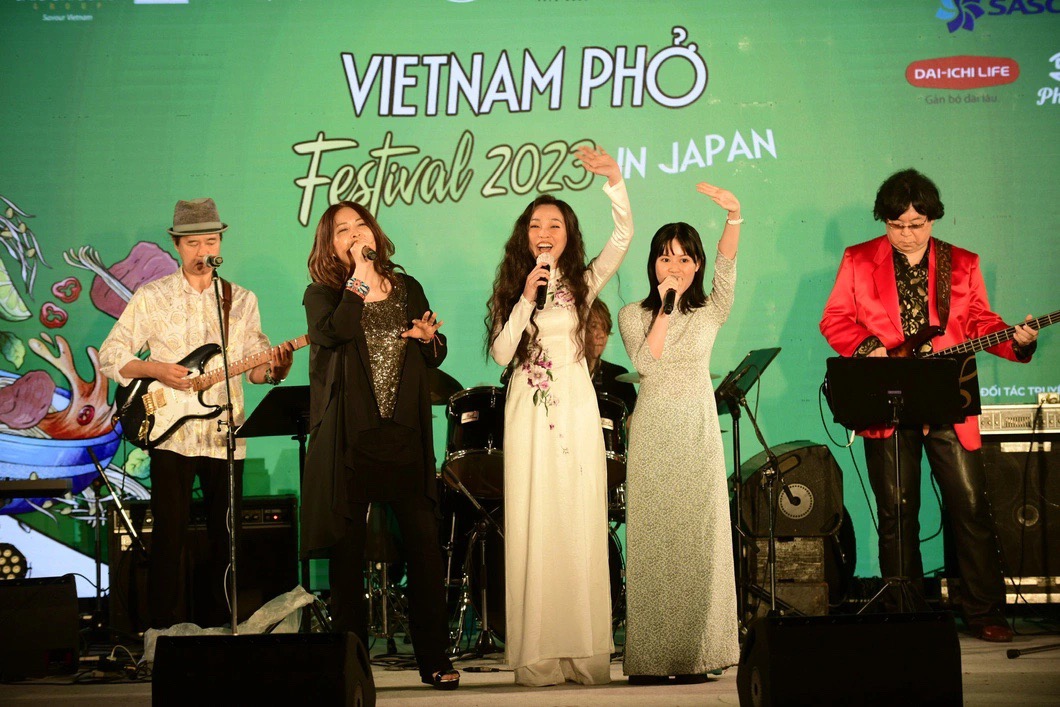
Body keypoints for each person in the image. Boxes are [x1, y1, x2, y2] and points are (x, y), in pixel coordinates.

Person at [820, 168, 1039, 642]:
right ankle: (905, 612)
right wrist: (867, 347)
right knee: (897, 510)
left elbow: (981, 322)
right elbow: (834, 318)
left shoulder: (963, 263)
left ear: (933, 219)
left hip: (948, 397)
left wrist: (1017, 342)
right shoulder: (858, 259)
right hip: (889, 400)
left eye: (916, 225)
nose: (906, 234)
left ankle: (984, 610)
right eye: (896, 225)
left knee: (969, 506)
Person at [99, 197, 293, 629]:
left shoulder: (240, 300)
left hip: (225, 432)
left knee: (227, 539)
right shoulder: (153, 296)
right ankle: (161, 632)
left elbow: (256, 368)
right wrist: (156, 370)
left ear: (220, 243)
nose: (202, 251)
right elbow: (111, 355)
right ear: (176, 246)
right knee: (170, 535)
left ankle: (223, 628)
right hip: (171, 431)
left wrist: (275, 370)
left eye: (210, 241)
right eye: (192, 243)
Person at [486, 145, 631, 687]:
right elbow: (501, 354)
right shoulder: (514, 288)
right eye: (535, 225)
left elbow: (623, 237)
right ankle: (539, 653)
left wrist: (614, 179)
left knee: (577, 520)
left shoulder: (584, 284)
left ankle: (582, 651)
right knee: (535, 521)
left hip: (574, 407)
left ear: (568, 235)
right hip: (527, 414)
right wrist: (526, 299)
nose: (544, 232)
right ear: (524, 237)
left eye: (555, 225)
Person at [300, 201, 459, 689]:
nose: (354, 234)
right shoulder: (322, 294)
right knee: (347, 558)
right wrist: (358, 280)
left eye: (360, 225)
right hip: (353, 440)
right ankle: (352, 667)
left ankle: (434, 658)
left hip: (405, 435)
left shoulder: (407, 287)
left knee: (424, 548)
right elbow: (338, 332)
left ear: (374, 232)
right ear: (329, 245)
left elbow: (434, 353)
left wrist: (429, 339)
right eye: (342, 230)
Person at [617, 183, 742, 683]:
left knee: (698, 540)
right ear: (653, 264)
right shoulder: (633, 314)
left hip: (697, 429)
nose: (674, 266)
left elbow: (728, 265)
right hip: (653, 430)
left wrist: (734, 216)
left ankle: (697, 655)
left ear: (697, 265)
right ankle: (651, 660)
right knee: (655, 542)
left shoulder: (712, 310)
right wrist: (665, 310)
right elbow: (647, 363)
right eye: (665, 257)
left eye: (684, 258)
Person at [585, 299, 637, 415]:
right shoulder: (567, 374)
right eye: (593, 326)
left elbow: (631, 421)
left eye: (605, 328)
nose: (601, 334)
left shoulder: (618, 375)